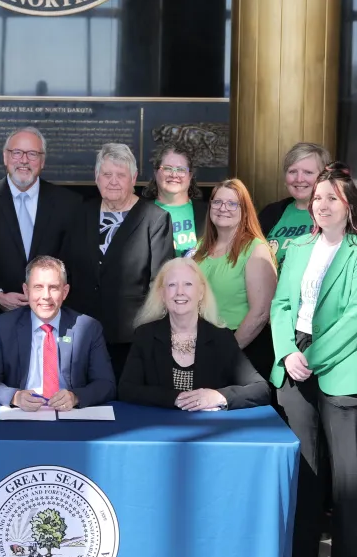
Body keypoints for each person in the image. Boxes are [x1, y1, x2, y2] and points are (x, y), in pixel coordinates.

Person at [268, 164, 357, 557]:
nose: (322, 204)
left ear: (349, 205)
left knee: (350, 472)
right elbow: (281, 304)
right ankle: (301, 550)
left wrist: (311, 356)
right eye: (317, 198)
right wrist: (286, 351)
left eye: (332, 198)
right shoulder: (297, 247)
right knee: (306, 463)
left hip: (340, 364)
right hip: (296, 355)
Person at [67, 144, 175, 376]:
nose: (113, 181)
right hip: (81, 332)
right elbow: (66, 267)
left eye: (121, 175)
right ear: (96, 178)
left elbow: (160, 281)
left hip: (131, 337)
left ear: (134, 178)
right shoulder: (79, 213)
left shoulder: (155, 219)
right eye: (107, 174)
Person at [119, 257, 270, 410]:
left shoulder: (221, 338)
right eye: (172, 285)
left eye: (188, 284)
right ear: (162, 294)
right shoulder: (145, 335)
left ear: (201, 292)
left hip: (211, 429)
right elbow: (126, 389)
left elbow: (260, 388)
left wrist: (219, 396)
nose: (180, 292)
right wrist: (174, 398)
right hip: (160, 427)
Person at [0, 127, 83, 320]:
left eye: (32, 154)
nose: (24, 160)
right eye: (17, 153)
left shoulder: (69, 204)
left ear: (43, 161)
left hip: (53, 317)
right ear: (5, 157)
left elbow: (74, 261)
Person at [0, 256, 116, 411]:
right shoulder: (2, 326)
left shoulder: (88, 328)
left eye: (53, 288)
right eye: (38, 287)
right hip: (22, 413)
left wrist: (76, 396)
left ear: (65, 292)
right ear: (26, 291)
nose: (46, 296)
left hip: (70, 414)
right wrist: (15, 396)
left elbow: (106, 384)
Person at [192, 179, 278, 377]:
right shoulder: (202, 246)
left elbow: (260, 313)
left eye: (232, 203)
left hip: (243, 348)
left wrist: (227, 351)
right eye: (217, 202)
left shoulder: (256, 249)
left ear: (245, 210)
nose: (223, 208)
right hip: (205, 344)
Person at [257, 142, 331, 271]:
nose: (299, 179)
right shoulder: (270, 213)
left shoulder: (337, 214)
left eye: (308, 172)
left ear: (324, 177)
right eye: (292, 171)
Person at [143, 144, 207, 257]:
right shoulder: (141, 213)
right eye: (167, 168)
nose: (174, 175)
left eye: (181, 169)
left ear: (190, 175)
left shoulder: (208, 213)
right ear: (156, 172)